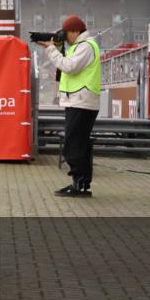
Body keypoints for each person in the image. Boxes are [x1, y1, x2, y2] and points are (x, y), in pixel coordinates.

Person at [40, 15, 101, 197]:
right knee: (79, 144)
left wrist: (52, 50)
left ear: (75, 31)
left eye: (66, 33)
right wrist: (57, 48)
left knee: (73, 145)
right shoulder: (79, 47)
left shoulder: (86, 47)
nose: (65, 37)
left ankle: (79, 184)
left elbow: (69, 67)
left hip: (81, 101)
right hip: (79, 101)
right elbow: (64, 72)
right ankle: (81, 185)